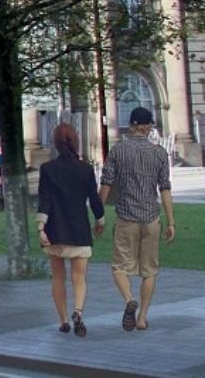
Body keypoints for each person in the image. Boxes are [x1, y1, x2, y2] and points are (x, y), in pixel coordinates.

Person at [100, 107, 174, 333]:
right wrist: (171, 221)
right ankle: (142, 317)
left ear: (131, 126)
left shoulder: (118, 151)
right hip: (151, 218)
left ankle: (129, 299)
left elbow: (106, 184)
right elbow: (165, 189)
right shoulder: (160, 153)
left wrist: (99, 213)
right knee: (149, 271)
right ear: (149, 126)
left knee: (120, 267)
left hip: (126, 218)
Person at [39, 122, 104, 336]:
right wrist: (100, 220)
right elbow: (94, 199)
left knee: (58, 277)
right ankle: (78, 311)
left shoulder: (47, 169)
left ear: (56, 144)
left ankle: (64, 320)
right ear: (76, 142)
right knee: (79, 277)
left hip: (55, 229)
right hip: (79, 229)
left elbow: (45, 200)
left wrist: (41, 227)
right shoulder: (85, 169)